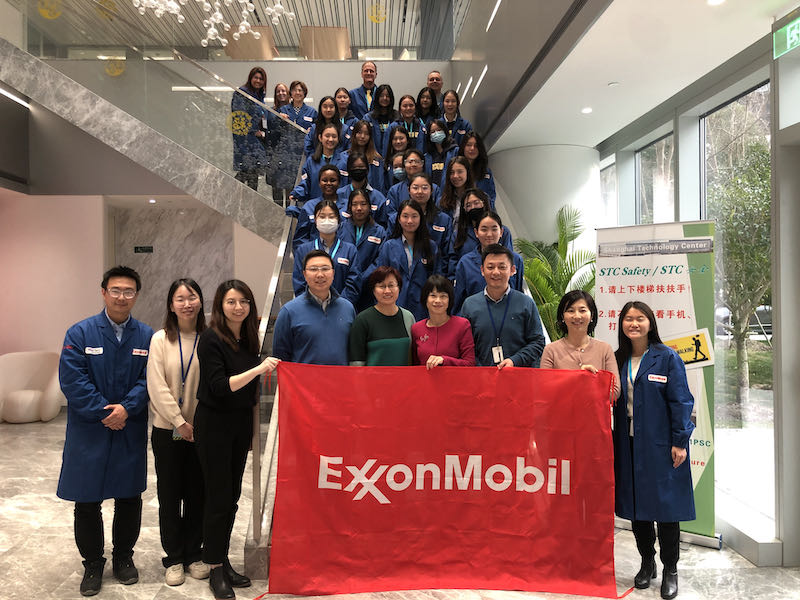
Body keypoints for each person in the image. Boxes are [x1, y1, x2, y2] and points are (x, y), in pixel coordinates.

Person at [57, 266, 154, 597]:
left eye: (128, 291)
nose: (121, 297)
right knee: (87, 500)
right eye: (115, 290)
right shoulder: (80, 333)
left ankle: (123, 557)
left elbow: (150, 379)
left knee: (129, 497)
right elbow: (73, 380)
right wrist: (105, 412)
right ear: (103, 292)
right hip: (89, 430)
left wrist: (127, 407)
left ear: (136, 296)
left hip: (129, 426)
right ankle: (93, 564)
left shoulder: (147, 336)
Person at [195, 280, 279, 600]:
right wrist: (258, 369)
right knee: (218, 499)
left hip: (238, 424)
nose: (238, 307)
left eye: (244, 301)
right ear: (220, 305)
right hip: (213, 425)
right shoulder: (211, 338)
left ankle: (222, 559)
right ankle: (215, 568)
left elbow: (248, 391)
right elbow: (219, 386)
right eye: (231, 302)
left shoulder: (248, 337)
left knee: (231, 498)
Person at [613, 301, 695, 600]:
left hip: (661, 445)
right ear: (621, 324)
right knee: (638, 509)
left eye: (640, 318)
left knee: (666, 509)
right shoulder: (617, 358)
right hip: (628, 444)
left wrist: (680, 442)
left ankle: (670, 568)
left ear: (650, 323)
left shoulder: (667, 357)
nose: (634, 324)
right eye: (628, 318)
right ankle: (647, 562)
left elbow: (681, 401)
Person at [146, 278, 209, 587]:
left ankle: (194, 553)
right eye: (180, 299)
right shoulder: (160, 339)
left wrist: (196, 425)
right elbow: (156, 385)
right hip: (168, 430)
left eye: (192, 297)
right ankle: (173, 557)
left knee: (198, 494)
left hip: (201, 432)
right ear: (171, 305)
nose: (186, 304)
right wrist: (179, 422)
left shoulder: (209, 338)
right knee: (170, 495)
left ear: (200, 301)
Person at [460, 244, 544, 368]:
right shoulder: (469, 305)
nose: (496, 272)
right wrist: (481, 369)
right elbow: (464, 346)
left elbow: (538, 342)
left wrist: (515, 360)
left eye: (502, 267)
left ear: (512, 270)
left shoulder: (526, 303)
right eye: (490, 267)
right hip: (482, 375)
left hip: (518, 373)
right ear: (482, 270)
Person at [273, 250, 356, 365]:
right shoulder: (289, 311)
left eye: (325, 269)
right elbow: (281, 357)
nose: (320, 274)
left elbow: (353, 350)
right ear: (304, 274)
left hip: (341, 376)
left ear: (333, 273)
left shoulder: (347, 308)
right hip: (303, 377)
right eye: (313, 269)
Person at [540, 290, 621, 399]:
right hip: (561, 410)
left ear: (592, 315)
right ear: (562, 316)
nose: (577, 316)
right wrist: (578, 378)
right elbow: (545, 390)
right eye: (570, 311)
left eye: (582, 310)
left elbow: (614, 392)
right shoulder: (551, 350)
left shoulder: (605, 349)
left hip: (595, 410)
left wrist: (588, 381)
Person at [370, 199, 441, 321]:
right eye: (405, 216)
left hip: (423, 308)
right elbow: (379, 280)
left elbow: (436, 279)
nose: (410, 221)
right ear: (398, 219)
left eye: (414, 216)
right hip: (394, 306)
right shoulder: (388, 247)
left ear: (421, 218)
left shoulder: (431, 247)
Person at [292, 199, 361, 305]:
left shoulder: (350, 250)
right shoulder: (303, 250)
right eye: (322, 217)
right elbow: (299, 282)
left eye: (331, 217)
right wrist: (313, 305)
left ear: (338, 220)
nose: (327, 220)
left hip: (342, 308)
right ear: (315, 220)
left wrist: (340, 305)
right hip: (311, 308)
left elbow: (354, 283)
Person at [453, 211, 523, 313]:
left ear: (501, 232)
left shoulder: (515, 260)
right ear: (476, 233)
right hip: (474, 317)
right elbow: (458, 301)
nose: (489, 234)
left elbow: (518, 293)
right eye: (484, 229)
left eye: (494, 229)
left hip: (508, 316)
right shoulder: (465, 263)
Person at [348, 266, 415, 366]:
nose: (387, 291)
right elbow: (356, 363)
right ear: (373, 290)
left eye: (391, 285)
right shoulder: (362, 320)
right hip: (372, 376)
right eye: (382, 286)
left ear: (399, 288)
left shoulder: (408, 317)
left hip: (403, 376)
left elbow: (413, 357)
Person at [412, 275, 475, 368]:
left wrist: (444, 360)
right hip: (424, 378)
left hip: (454, 377)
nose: (438, 300)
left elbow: (470, 364)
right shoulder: (416, 328)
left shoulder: (462, 325)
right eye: (433, 295)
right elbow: (414, 365)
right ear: (425, 299)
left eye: (443, 296)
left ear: (449, 300)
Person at [447, 188, 513, 276]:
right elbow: (453, 263)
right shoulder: (458, 234)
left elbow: (509, 259)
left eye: (476, 203)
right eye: (468, 205)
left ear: (484, 203)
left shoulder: (503, 232)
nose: (473, 207)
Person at [289, 123, 346, 206]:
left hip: (338, 208)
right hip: (316, 207)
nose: (330, 139)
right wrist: (296, 193)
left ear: (338, 139)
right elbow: (306, 183)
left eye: (334, 136)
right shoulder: (311, 161)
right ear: (320, 138)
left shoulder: (345, 161)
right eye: (327, 136)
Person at [231, 66, 268, 190]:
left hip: (256, 142)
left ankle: (249, 199)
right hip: (245, 140)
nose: (258, 81)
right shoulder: (242, 93)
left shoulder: (259, 96)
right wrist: (253, 131)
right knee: (247, 170)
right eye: (256, 77)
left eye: (261, 79)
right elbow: (239, 117)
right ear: (250, 78)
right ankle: (228, 192)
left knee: (253, 173)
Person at [386, 148, 441, 224]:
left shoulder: (435, 188)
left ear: (423, 164)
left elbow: (438, 211)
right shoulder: (395, 190)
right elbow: (391, 213)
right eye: (410, 162)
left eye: (417, 161)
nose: (413, 164)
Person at [292, 164, 342, 249]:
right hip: (314, 254)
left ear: (339, 183)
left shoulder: (347, 206)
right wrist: (309, 254)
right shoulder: (309, 207)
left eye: (333, 180)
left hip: (341, 253)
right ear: (319, 183)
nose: (328, 183)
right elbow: (300, 239)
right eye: (324, 180)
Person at [336, 154, 388, 234]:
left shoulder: (379, 198)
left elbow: (384, 225)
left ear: (367, 169)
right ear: (348, 170)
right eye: (354, 167)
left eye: (361, 167)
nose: (358, 170)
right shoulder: (339, 194)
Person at [265, 82, 294, 207]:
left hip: (290, 157)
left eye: (283, 91)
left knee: (290, 192)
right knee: (276, 191)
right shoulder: (270, 111)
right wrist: (278, 118)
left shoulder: (293, 110)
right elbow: (269, 131)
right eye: (278, 91)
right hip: (274, 156)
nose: (281, 93)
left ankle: (288, 218)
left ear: (288, 93)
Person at [339, 122, 386, 194]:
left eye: (366, 133)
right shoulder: (344, 157)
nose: (362, 136)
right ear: (354, 134)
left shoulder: (376, 159)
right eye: (359, 133)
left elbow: (380, 185)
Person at [459, 132, 496, 209]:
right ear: (463, 147)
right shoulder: (456, 170)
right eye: (469, 145)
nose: (472, 148)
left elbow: (491, 196)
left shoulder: (486, 172)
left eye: (476, 146)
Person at [364, 84, 399, 166]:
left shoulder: (397, 116)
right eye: (382, 96)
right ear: (377, 98)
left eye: (387, 96)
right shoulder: (368, 117)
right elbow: (364, 137)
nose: (385, 98)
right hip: (373, 158)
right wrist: (372, 151)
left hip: (393, 158)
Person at [438, 155, 474, 223]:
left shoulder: (479, 199)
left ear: (468, 172)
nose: (455, 176)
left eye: (460, 172)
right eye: (452, 172)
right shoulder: (441, 201)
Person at [424, 119, 459, 189]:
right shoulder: (427, 156)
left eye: (439, 130)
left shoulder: (455, 151)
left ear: (445, 131)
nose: (436, 133)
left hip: (450, 191)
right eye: (433, 132)